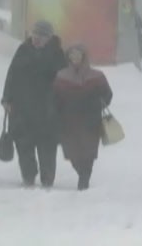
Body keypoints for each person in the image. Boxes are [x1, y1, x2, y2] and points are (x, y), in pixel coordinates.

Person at [1, 20, 66, 188]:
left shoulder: (57, 54)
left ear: (49, 38)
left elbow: (65, 82)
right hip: (22, 108)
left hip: (48, 110)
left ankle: (47, 179)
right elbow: (11, 75)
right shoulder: (23, 50)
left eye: (41, 36)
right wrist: (6, 98)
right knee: (24, 144)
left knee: (47, 148)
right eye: (35, 35)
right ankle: (28, 177)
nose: (36, 39)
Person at [53, 44, 113, 191]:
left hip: (90, 119)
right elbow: (55, 97)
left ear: (84, 57)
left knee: (88, 151)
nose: (75, 58)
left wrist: (98, 104)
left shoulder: (97, 76)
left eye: (78, 54)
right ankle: (81, 172)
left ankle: (84, 178)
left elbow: (107, 94)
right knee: (71, 152)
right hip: (68, 120)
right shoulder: (61, 76)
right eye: (72, 55)